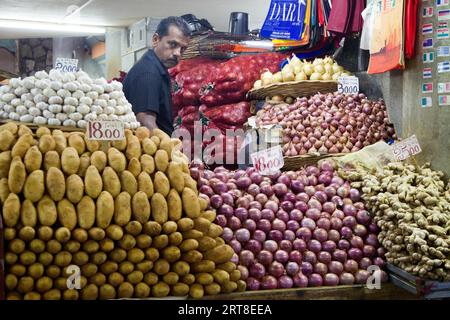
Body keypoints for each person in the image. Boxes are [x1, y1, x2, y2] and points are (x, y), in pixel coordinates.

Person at [123, 16, 190, 136]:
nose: (177, 53)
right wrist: (169, 148)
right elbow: (146, 121)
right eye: (173, 44)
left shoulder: (156, 69)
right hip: (152, 151)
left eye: (183, 49)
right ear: (155, 39)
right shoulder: (149, 73)